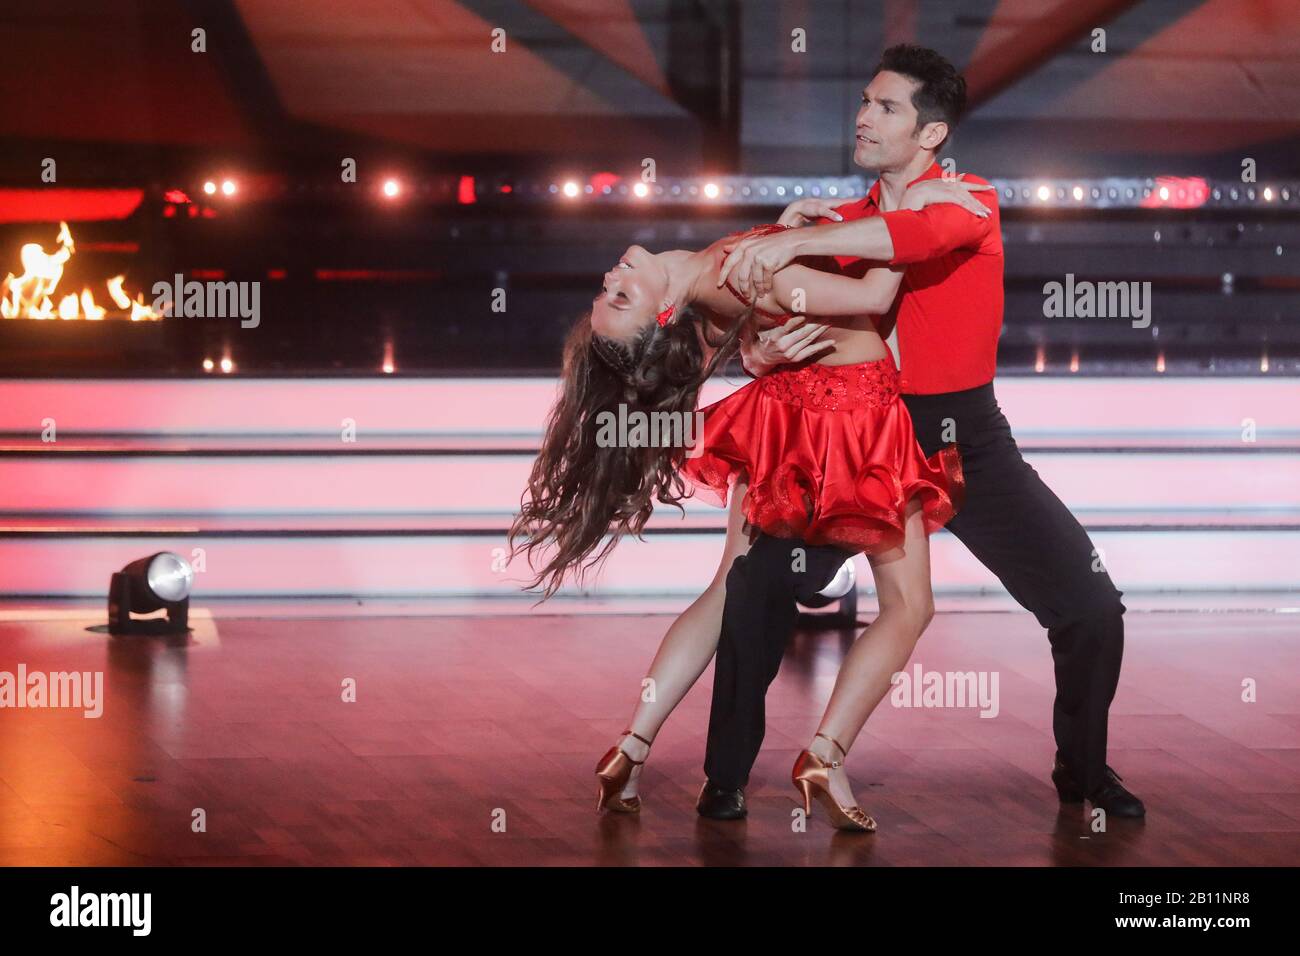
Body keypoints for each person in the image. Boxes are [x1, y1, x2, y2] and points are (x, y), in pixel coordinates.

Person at [717, 43, 1144, 818]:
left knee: (1091, 609)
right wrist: (760, 341)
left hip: (964, 438)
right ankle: (724, 783)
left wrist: (794, 240)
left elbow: (909, 240)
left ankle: (1084, 774)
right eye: (863, 102)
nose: (863, 116)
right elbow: (772, 309)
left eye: (886, 107)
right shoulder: (839, 221)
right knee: (756, 589)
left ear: (932, 134)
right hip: (862, 436)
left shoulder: (968, 198)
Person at [507, 182, 987, 829]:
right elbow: (874, 296)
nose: (611, 277)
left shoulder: (711, 273)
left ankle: (632, 746)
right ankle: (825, 755)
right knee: (909, 604)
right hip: (853, 423)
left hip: (790, 418)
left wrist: (786, 237)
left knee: (726, 589)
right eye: (621, 297)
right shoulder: (737, 280)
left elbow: (770, 310)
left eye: (607, 293)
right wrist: (911, 206)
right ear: (664, 313)